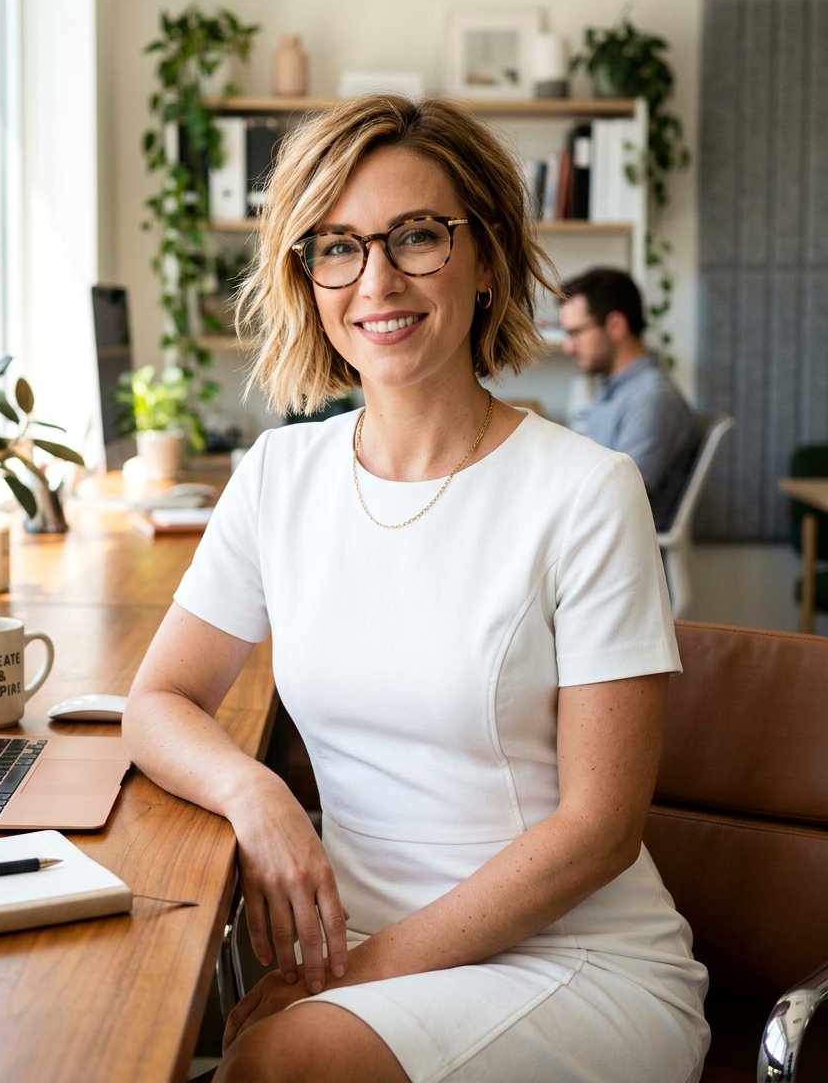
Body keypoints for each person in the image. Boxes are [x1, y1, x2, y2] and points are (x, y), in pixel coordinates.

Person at [123, 95, 709, 1083]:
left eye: (417, 237)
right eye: (338, 247)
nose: (377, 280)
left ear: (485, 258)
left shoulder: (583, 491)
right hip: (364, 954)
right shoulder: (277, 477)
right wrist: (256, 795)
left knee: (275, 1063)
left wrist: (354, 973)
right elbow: (157, 700)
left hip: (569, 962)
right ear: (306, 276)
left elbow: (600, 831)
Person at [559, 268, 699, 530]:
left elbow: (620, 498)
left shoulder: (651, 399)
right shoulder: (615, 389)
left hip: (619, 544)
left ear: (615, 326)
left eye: (576, 333)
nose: (568, 347)